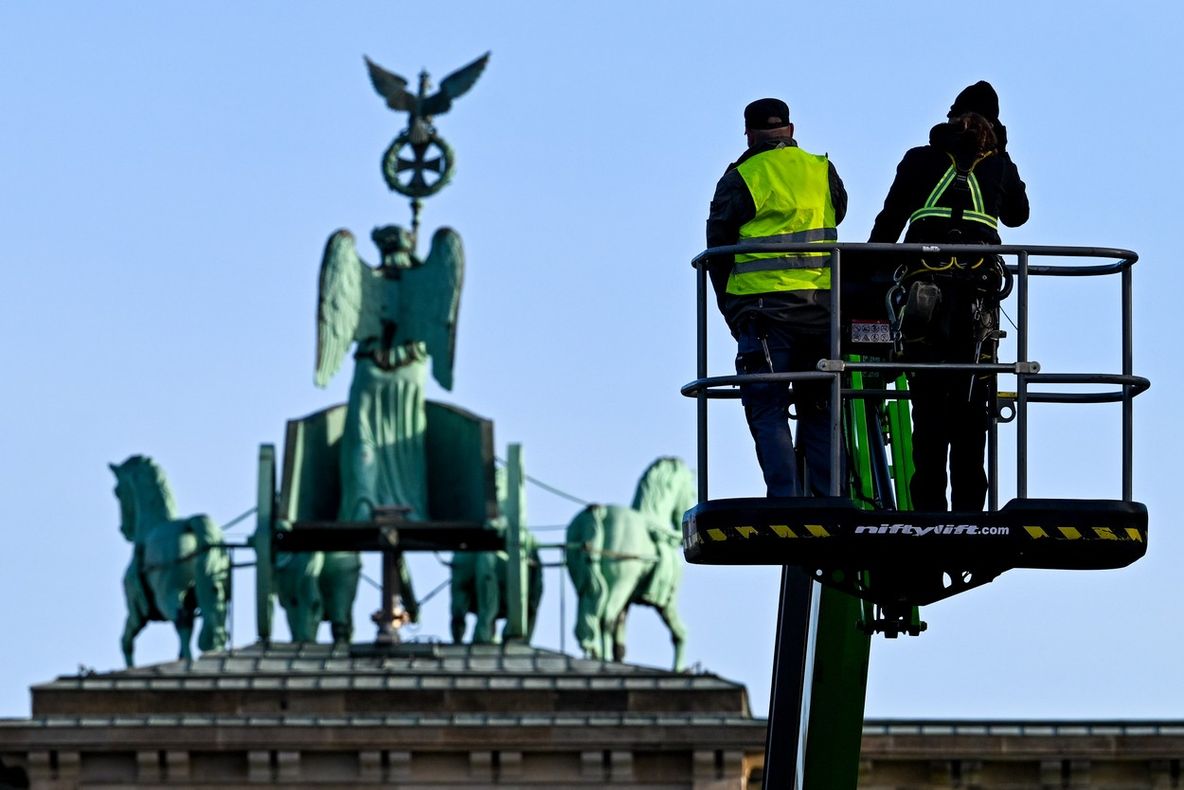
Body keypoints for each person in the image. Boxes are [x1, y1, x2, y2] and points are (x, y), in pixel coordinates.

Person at [868, 81, 1029, 511]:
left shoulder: (920, 159)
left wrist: (864, 277)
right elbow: (1018, 215)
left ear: (951, 118)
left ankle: (928, 511)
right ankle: (970, 513)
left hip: (926, 299)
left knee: (928, 408)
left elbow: (889, 223)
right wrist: (1001, 152)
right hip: (977, 305)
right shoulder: (1000, 167)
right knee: (972, 406)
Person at [706, 98, 847, 497]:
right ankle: (830, 500)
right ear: (791, 129)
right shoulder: (821, 169)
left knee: (767, 407)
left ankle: (785, 500)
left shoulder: (741, 178)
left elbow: (718, 251)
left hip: (764, 313)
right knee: (821, 406)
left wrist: (732, 313)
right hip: (821, 310)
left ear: (749, 135)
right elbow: (839, 211)